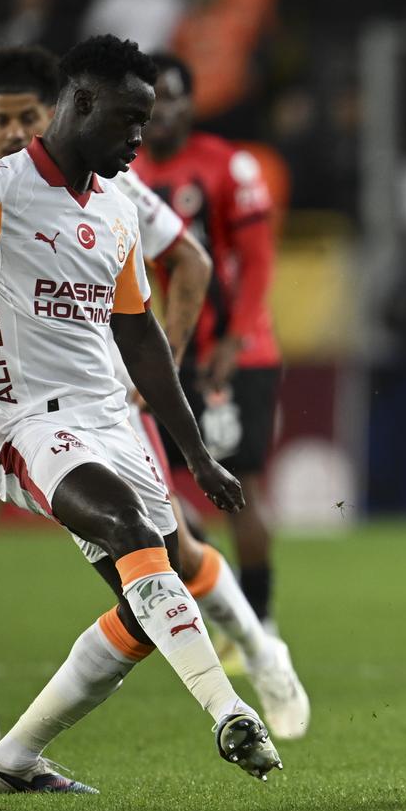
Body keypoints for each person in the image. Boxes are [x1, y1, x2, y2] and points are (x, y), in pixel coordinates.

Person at [0, 35, 284, 792]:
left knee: (147, 603)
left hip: (111, 419)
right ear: (83, 103)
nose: (142, 138)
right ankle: (230, 709)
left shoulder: (117, 210)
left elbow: (139, 334)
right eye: (131, 119)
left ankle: (8, 760)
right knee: (134, 540)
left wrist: (195, 452)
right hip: (30, 425)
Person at [131, 54, 283, 634]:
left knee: (239, 488)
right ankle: (209, 608)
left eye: (172, 97)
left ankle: (260, 623)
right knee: (157, 493)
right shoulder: (124, 172)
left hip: (234, 356)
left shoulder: (228, 166)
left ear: (191, 104)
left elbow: (259, 259)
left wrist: (235, 340)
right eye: (151, 99)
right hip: (160, 356)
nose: (161, 111)